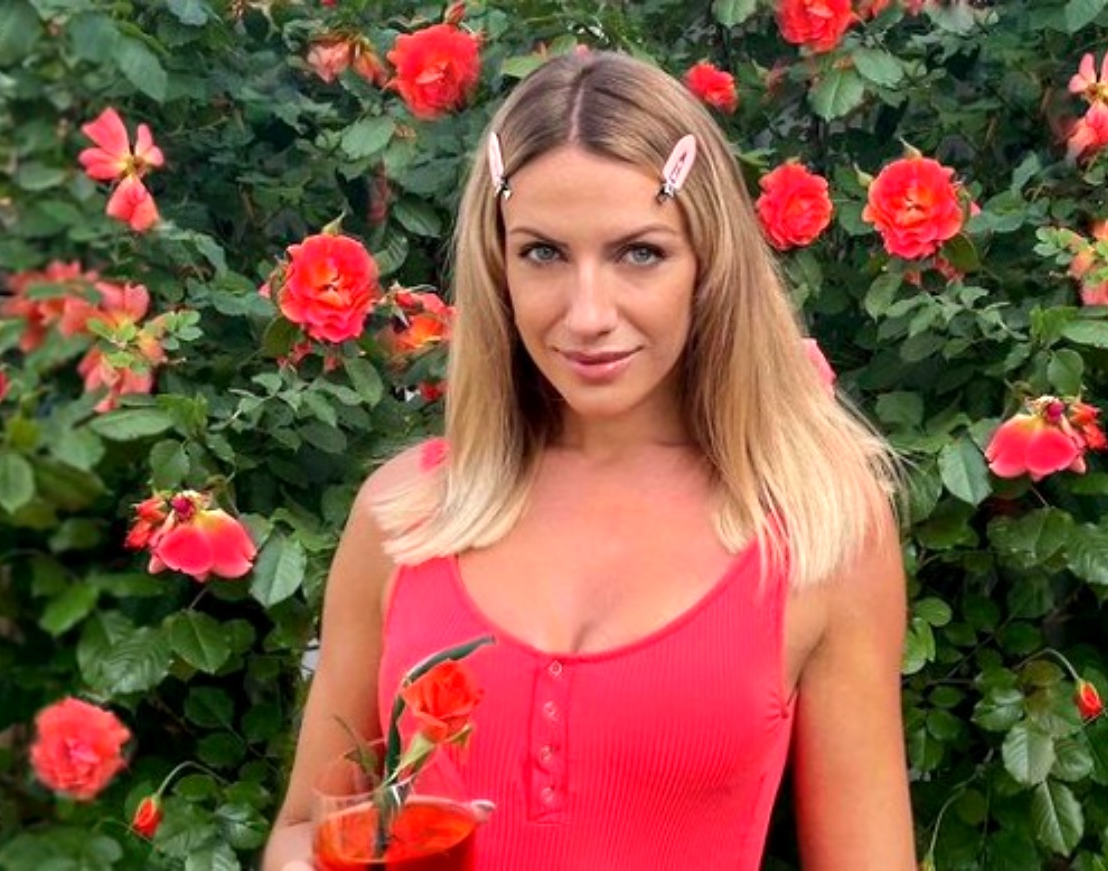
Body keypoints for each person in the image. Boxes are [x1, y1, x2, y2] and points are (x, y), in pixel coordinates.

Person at [264, 50, 915, 870]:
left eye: (640, 253)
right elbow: (303, 829)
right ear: (498, 265)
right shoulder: (404, 519)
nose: (587, 314)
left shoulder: (817, 529)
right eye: (542, 253)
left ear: (708, 263)